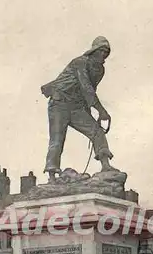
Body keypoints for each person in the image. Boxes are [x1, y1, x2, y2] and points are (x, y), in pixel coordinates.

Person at [41, 36, 117, 183]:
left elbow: (88, 93)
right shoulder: (80, 62)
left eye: (106, 52)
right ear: (93, 51)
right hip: (59, 103)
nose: (103, 55)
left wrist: (90, 112)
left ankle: (106, 165)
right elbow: (86, 87)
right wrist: (101, 110)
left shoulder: (100, 70)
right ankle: (52, 175)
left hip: (76, 107)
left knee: (96, 130)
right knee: (57, 140)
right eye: (101, 51)